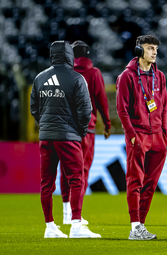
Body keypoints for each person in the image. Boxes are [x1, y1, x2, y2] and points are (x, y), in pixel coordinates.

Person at [30, 41, 100, 238]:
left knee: (46, 183)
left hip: (45, 137)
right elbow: (86, 110)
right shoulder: (77, 78)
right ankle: (76, 225)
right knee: (76, 179)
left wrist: (45, 124)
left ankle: (50, 227)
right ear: (70, 55)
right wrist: (80, 131)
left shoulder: (39, 78)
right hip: (68, 137)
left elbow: (34, 107)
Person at [116, 35, 167, 240]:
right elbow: (122, 109)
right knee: (135, 181)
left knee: (151, 184)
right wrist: (131, 135)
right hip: (138, 135)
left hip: (158, 137)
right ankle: (135, 226)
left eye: (156, 48)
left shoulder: (160, 76)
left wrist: (164, 134)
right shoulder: (127, 77)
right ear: (139, 51)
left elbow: (163, 108)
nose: (154, 52)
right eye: (149, 48)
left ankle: (142, 225)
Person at [60, 40, 111, 225]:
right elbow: (101, 99)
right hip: (86, 129)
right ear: (88, 54)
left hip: (64, 128)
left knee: (66, 171)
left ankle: (66, 214)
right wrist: (107, 123)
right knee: (82, 171)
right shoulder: (94, 73)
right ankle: (76, 217)